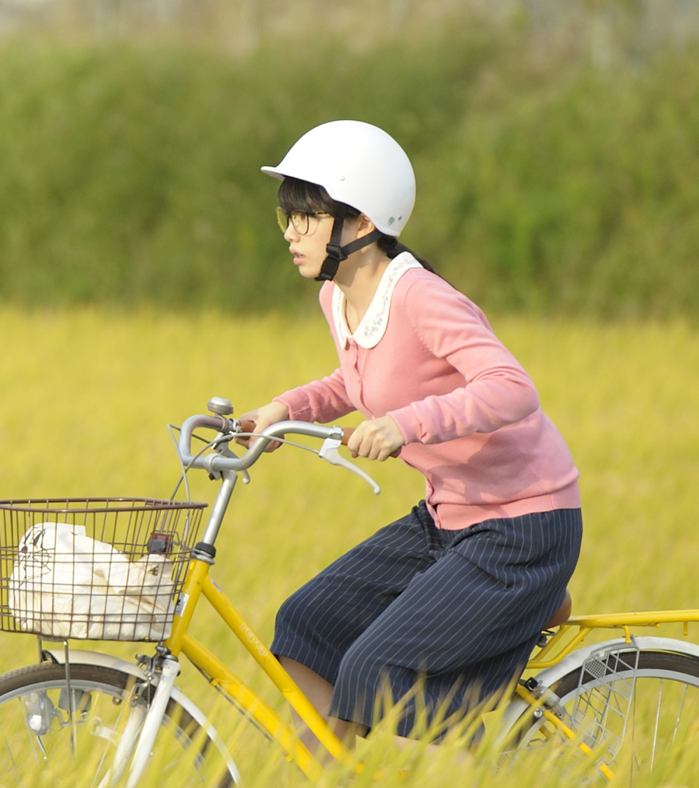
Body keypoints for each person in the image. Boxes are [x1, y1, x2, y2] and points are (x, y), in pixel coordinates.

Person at [237, 120, 581, 753]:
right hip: (447, 516)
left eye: (307, 217)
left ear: (361, 223)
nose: (289, 231)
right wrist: (279, 411)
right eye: (287, 215)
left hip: (521, 527)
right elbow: (358, 381)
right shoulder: (338, 298)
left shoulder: (420, 295)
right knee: (305, 622)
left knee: (374, 669)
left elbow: (512, 386)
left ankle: (502, 718)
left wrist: (406, 426)